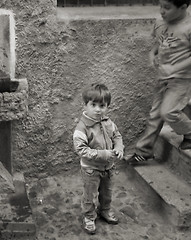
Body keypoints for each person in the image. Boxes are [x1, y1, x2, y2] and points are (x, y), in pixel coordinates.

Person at [128, 0, 191, 164]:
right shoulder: (160, 22)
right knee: (154, 115)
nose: (162, 11)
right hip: (162, 78)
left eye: (167, 8)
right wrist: (152, 54)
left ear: (183, 7)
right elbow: (158, 44)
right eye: (160, 6)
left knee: (168, 112)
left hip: (181, 79)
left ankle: (190, 131)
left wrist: (174, 68)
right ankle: (144, 151)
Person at [73, 83, 124, 234]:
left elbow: (117, 136)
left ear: (107, 106)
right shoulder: (82, 128)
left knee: (107, 192)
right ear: (86, 105)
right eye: (93, 104)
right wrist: (103, 154)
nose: (97, 109)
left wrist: (119, 147)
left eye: (102, 105)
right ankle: (89, 217)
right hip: (90, 169)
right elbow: (81, 150)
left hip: (108, 167)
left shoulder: (108, 123)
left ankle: (105, 210)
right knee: (90, 194)